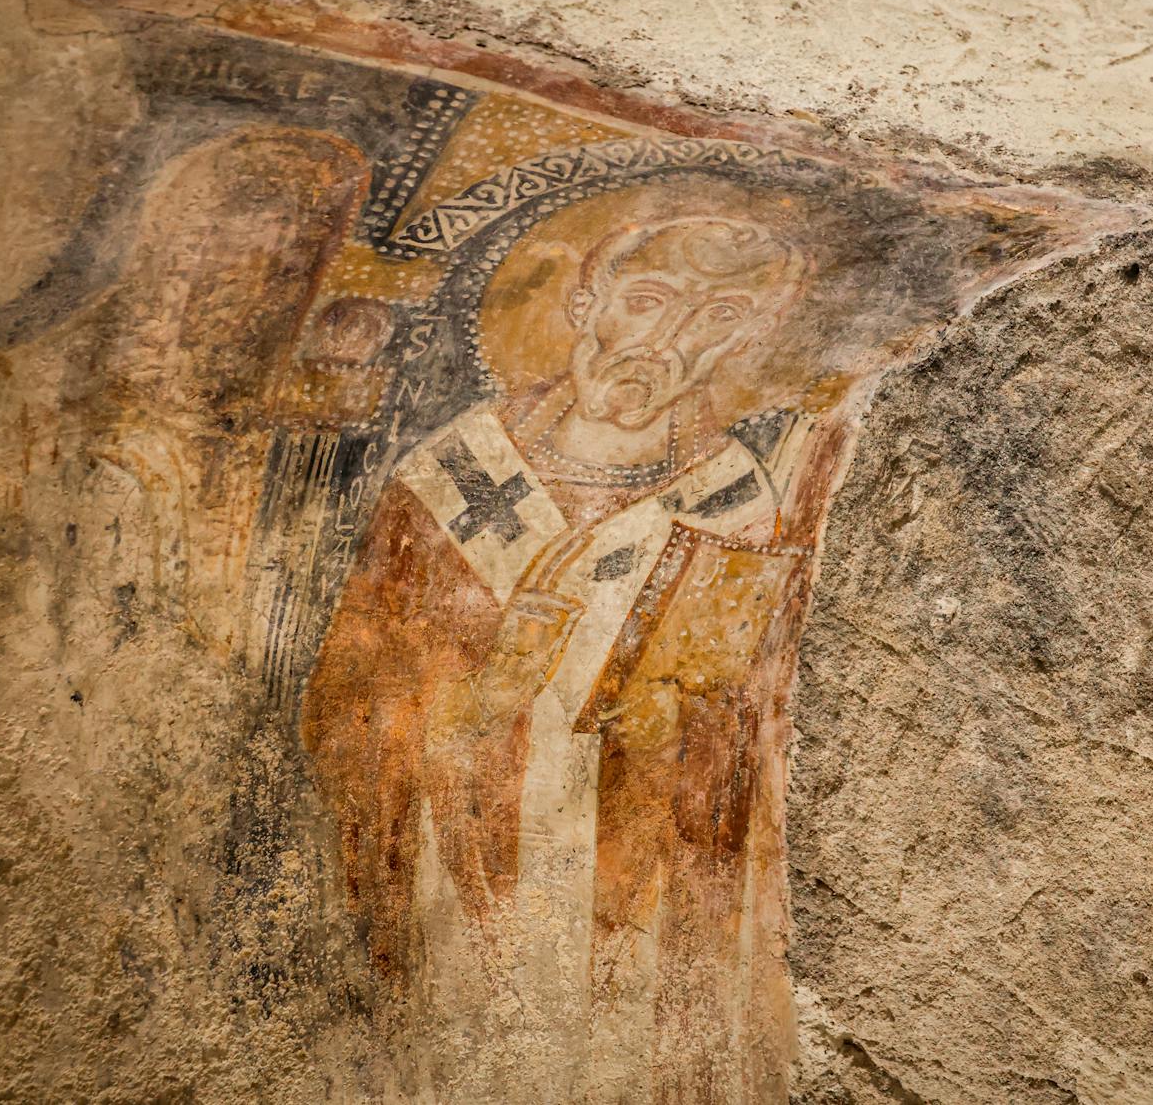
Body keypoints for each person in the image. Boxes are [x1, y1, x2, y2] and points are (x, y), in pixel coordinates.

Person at [301, 207, 849, 1098]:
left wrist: (675, 723)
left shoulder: (738, 500)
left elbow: (739, 736)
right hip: (467, 874)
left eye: (714, 322)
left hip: (632, 894)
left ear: (745, 346)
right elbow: (348, 715)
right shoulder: (457, 476)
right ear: (586, 303)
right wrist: (488, 693)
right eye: (648, 301)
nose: (664, 343)